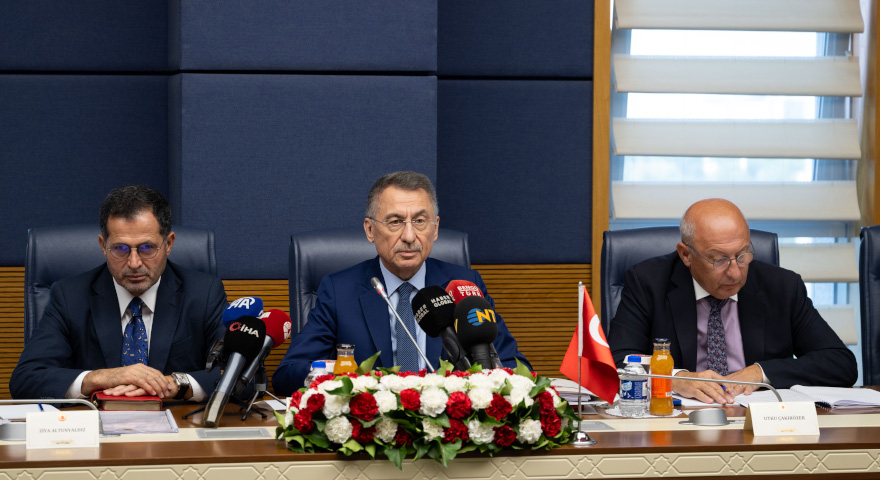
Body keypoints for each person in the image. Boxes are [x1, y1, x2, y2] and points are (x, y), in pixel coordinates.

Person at [273, 171, 530, 395]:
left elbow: (518, 370)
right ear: (370, 230)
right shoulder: (339, 291)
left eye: (419, 221)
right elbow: (288, 375)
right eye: (395, 222)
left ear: (435, 229)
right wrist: (344, 379)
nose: (409, 236)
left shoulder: (464, 286)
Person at [607, 198, 857, 405]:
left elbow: (840, 363)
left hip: (760, 421)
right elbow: (616, 362)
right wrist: (676, 378)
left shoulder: (782, 287)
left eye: (742, 255)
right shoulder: (648, 283)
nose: (736, 273)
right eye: (719, 260)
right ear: (686, 255)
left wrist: (760, 372)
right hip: (678, 422)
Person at [10, 185, 227, 401]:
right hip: (97, 421)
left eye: (147, 248)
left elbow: (240, 375)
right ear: (103, 246)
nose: (134, 263)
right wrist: (100, 378)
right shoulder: (69, 297)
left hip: (177, 420)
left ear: (168, 244)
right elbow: (26, 379)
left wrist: (176, 384)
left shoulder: (204, 294)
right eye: (120, 249)